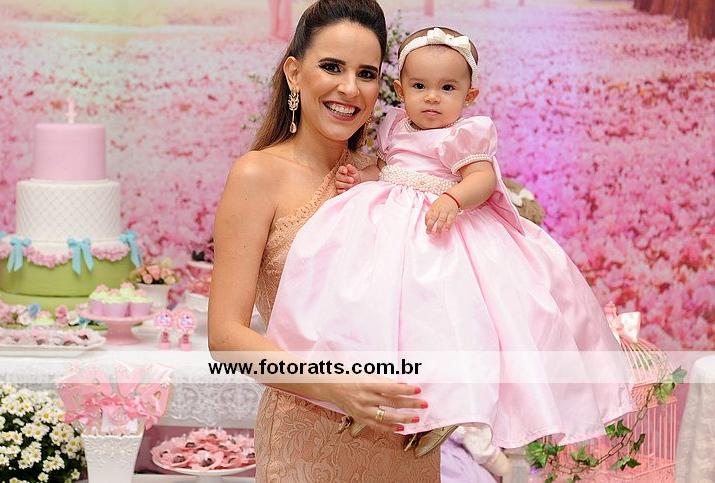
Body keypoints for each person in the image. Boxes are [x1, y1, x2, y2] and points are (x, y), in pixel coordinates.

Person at [265, 26, 635, 464]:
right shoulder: (394, 126)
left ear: (469, 95)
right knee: (373, 309)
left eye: (447, 88)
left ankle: (440, 410)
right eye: (419, 86)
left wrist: (454, 199)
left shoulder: (465, 134)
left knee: (444, 321)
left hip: (439, 231)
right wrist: (360, 177)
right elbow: (387, 169)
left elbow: (482, 178)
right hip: (387, 231)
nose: (432, 98)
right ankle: (364, 388)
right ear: (400, 90)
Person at [210, 0, 497, 482]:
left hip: (405, 443)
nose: (349, 88)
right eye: (331, 67)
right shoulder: (258, 174)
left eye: (366, 73)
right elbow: (225, 337)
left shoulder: (394, 181)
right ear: (294, 73)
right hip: (309, 445)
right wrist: (336, 388)